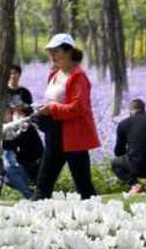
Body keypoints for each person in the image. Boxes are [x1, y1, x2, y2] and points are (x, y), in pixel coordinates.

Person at [33, 33, 100, 200]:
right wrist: (43, 109)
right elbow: (53, 99)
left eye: (56, 51)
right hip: (54, 134)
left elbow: (78, 107)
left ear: (69, 51)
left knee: (83, 185)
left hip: (74, 137)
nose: (53, 56)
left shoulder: (78, 77)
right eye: (51, 52)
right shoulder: (54, 74)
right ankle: (33, 218)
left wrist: (52, 109)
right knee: (44, 182)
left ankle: (98, 218)